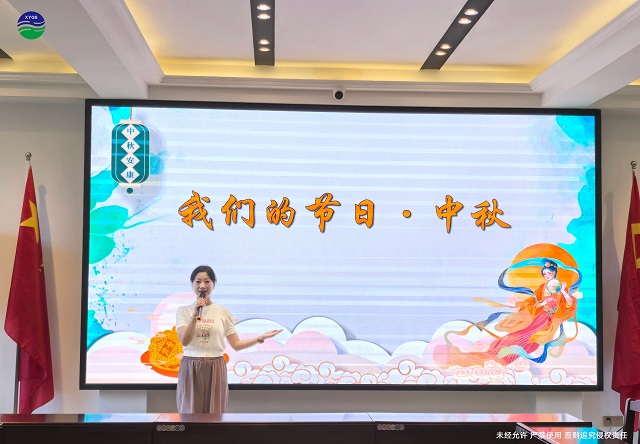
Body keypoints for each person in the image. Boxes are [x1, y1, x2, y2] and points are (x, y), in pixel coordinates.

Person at [435, 258, 582, 368]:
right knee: (509, 338)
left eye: (549, 273)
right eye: (545, 274)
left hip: (547, 321)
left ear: (555, 272)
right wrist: (542, 303)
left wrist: (564, 291)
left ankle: (500, 358)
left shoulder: (561, 286)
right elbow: (534, 302)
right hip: (537, 317)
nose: (547, 276)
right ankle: (478, 358)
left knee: (521, 340)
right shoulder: (543, 287)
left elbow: (569, 304)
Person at [176, 265, 282, 414]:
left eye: (207, 281)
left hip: (216, 365)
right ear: (192, 284)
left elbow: (236, 344)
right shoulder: (183, 311)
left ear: (214, 284)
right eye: (198, 281)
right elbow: (184, 340)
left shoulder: (223, 312)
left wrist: (260, 338)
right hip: (191, 365)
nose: (202, 286)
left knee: (215, 413)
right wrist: (195, 315)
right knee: (190, 412)